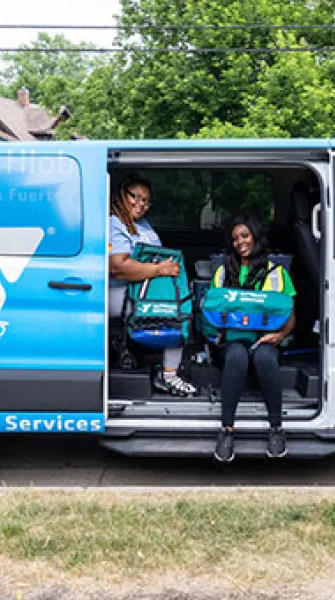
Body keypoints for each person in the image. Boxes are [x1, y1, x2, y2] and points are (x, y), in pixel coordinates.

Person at [211, 214, 295, 462]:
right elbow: (212, 312)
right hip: (232, 340)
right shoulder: (223, 272)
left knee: (265, 358)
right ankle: (227, 431)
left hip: (265, 339)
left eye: (245, 236)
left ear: (256, 238)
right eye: (235, 238)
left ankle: (276, 429)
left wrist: (279, 335)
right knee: (237, 356)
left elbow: (290, 314)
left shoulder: (277, 273)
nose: (240, 242)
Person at [109, 173, 197, 397]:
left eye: (146, 200)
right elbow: (118, 267)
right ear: (122, 194)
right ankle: (168, 376)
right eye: (135, 197)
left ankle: (168, 366)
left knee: (183, 301)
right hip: (116, 291)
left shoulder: (142, 224)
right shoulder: (113, 223)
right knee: (176, 311)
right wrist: (159, 270)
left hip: (142, 288)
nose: (141, 204)